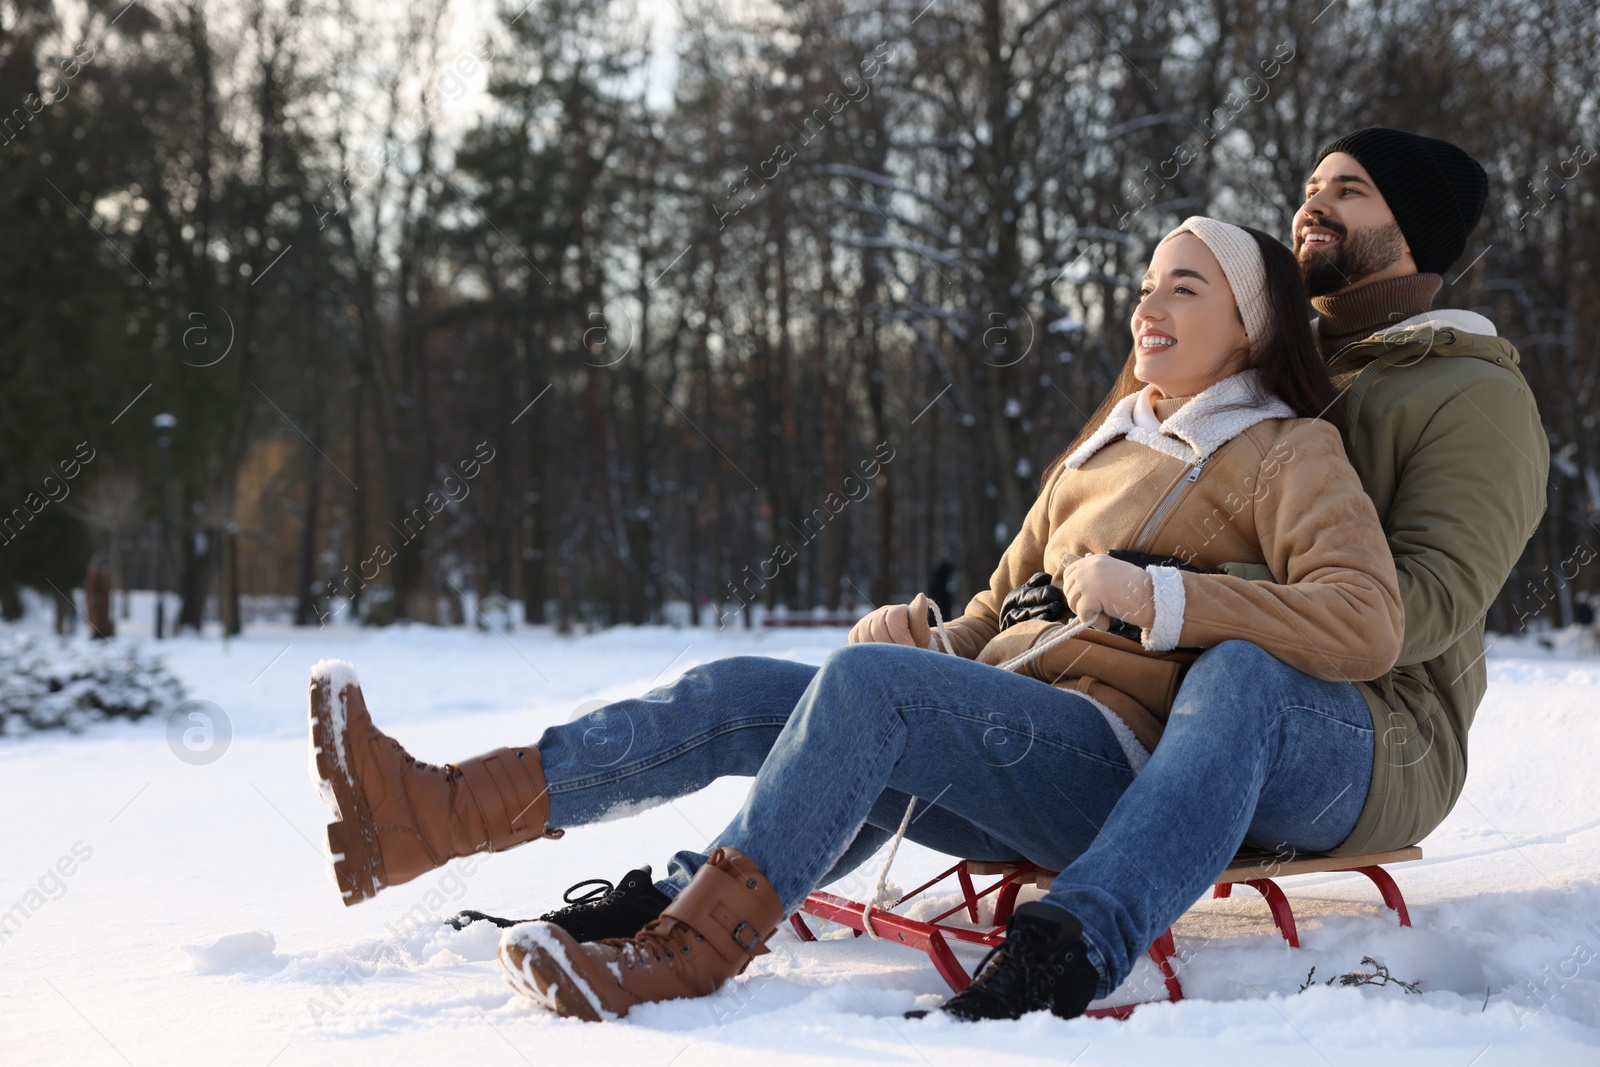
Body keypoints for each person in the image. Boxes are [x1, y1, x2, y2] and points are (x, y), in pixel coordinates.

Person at [308, 214, 1407, 1021]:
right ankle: (436, 811)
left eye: (1184, 288)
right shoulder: (1101, 446)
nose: (1148, 306)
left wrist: (1162, 599)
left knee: (868, 694)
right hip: (1016, 736)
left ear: (1251, 328)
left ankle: (684, 952)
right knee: (743, 687)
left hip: (1124, 776)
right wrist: (932, 643)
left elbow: (1364, 620)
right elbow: (1000, 606)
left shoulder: (1283, 450)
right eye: (1145, 284)